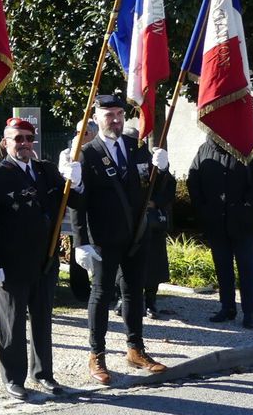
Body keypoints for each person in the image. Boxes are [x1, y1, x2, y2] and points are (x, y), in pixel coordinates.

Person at [0, 117, 83, 400]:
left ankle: (43, 373)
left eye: (28, 138)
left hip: (45, 260)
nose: (23, 143)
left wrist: (77, 181)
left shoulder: (45, 170)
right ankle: (13, 378)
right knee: (11, 323)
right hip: (10, 263)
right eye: (17, 138)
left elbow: (73, 203)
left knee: (42, 319)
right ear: (5, 141)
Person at [70, 93, 175, 384]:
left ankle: (135, 349)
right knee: (101, 295)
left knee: (134, 293)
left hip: (136, 235)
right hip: (103, 237)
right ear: (96, 118)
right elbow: (79, 203)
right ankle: (96, 354)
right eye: (109, 115)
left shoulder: (136, 147)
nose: (115, 120)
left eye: (119, 114)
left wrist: (162, 170)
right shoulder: (87, 153)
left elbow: (155, 190)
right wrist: (81, 241)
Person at [187, 135, 253, 329]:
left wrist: (249, 200)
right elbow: (193, 180)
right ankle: (227, 308)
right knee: (223, 267)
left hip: (243, 222)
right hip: (216, 222)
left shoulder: (250, 145)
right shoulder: (205, 149)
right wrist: (202, 208)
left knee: (246, 268)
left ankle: (249, 311)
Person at [59, 119, 99, 302]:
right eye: (77, 132)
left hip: (96, 210)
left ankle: (101, 285)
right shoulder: (67, 153)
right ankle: (80, 289)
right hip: (76, 210)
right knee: (79, 246)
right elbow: (66, 177)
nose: (79, 136)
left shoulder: (98, 152)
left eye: (84, 133)